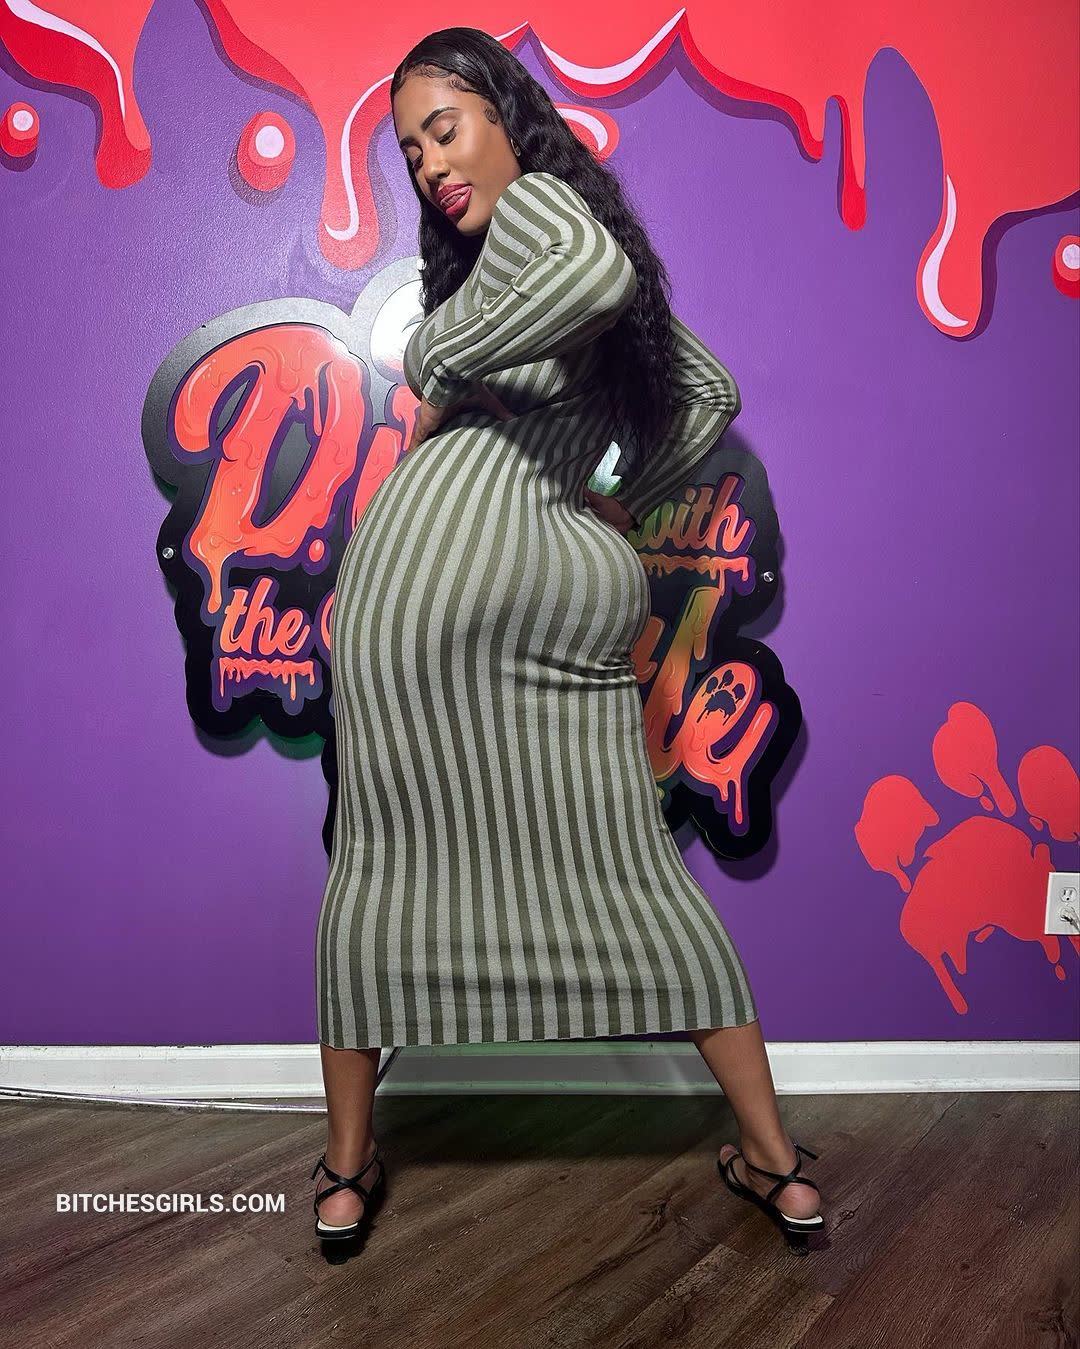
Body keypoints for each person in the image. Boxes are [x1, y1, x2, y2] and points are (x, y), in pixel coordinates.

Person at [309, 26, 825, 1254]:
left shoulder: (538, 213)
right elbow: (707, 392)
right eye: (410, 150)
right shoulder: (524, 250)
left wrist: (437, 352)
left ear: (509, 115)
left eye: (446, 128)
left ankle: (345, 1168)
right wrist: (606, 491)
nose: (432, 164)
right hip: (542, 582)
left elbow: (587, 276)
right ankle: (776, 1161)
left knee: (383, 861)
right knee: (625, 863)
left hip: (425, 586)